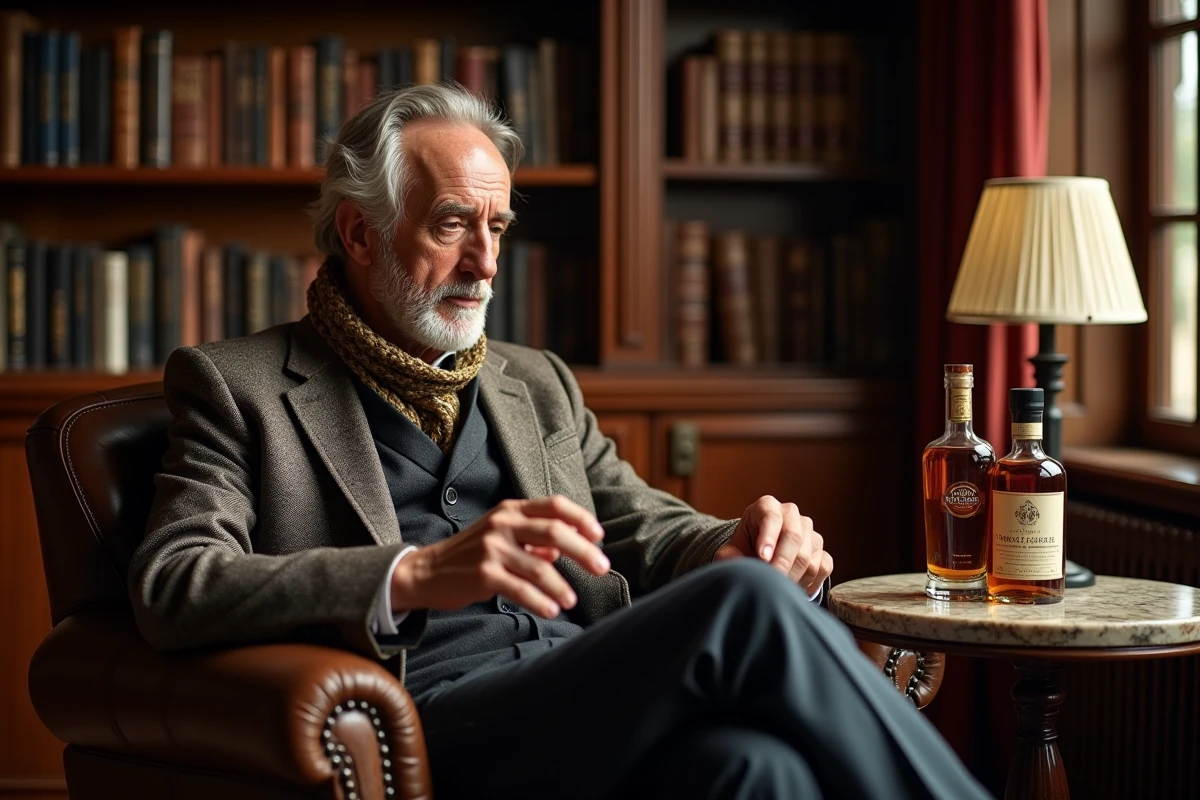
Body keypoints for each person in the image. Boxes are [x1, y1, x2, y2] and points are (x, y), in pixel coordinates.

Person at [130, 83, 990, 799]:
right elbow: (175, 583)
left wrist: (738, 540)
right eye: (452, 224)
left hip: (586, 691)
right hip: (426, 722)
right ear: (359, 232)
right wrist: (415, 574)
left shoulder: (532, 380)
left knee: (754, 769)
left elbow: (642, 523)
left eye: (497, 228)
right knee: (745, 607)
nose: (486, 263)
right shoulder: (235, 384)